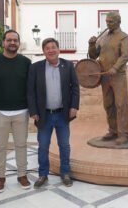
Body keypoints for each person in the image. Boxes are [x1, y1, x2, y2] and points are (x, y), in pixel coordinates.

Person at [0, 30, 32, 193]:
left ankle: (22, 174)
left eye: (15, 40)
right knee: (0, 146)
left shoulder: (26, 62)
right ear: (3, 42)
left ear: (18, 43)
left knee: (21, 145)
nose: (12, 43)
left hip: (21, 111)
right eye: (9, 40)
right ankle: (0, 177)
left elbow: (30, 86)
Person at [27, 38, 79, 188]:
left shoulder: (68, 66)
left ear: (58, 49)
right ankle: (43, 174)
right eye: (47, 48)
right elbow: (30, 92)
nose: (51, 50)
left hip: (62, 114)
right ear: (44, 51)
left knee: (64, 145)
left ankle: (65, 173)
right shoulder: (35, 68)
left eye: (53, 47)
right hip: (44, 115)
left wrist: (74, 106)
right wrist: (33, 111)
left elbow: (75, 88)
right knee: (43, 146)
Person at [88, 11, 128, 145]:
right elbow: (92, 56)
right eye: (106, 21)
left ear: (118, 22)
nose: (107, 24)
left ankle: (124, 134)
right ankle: (113, 130)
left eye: (110, 22)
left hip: (118, 76)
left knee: (121, 105)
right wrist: (91, 45)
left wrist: (115, 67)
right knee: (108, 104)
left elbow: (125, 56)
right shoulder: (103, 38)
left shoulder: (125, 38)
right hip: (105, 77)